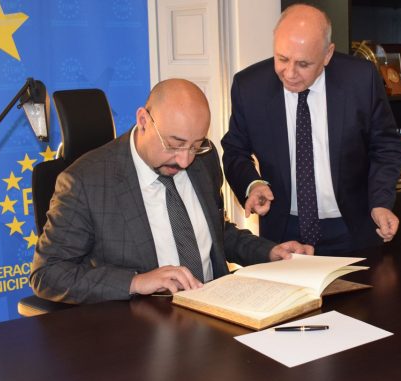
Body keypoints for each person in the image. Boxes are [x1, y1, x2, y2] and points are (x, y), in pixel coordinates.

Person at [31, 79, 312, 304]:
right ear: (143, 120)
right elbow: (48, 273)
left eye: (195, 145)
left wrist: (269, 252)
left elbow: (216, 233)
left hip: (218, 311)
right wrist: (136, 282)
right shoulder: (85, 182)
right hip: (142, 328)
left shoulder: (205, 159)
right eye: (175, 144)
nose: (185, 160)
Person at [221, 4, 401, 256]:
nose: (290, 73)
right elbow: (234, 151)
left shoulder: (360, 79)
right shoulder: (250, 86)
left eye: (303, 64)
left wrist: (381, 202)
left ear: (327, 55)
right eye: (282, 59)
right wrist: (253, 184)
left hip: (351, 226)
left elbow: (385, 145)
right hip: (283, 230)